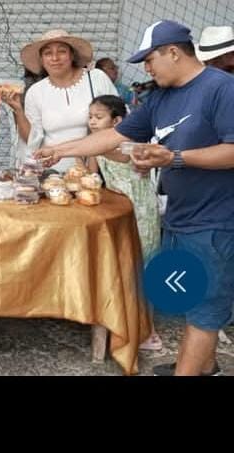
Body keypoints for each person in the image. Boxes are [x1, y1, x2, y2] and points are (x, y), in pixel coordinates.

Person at [36, 20, 234, 377]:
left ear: (173, 52)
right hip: (179, 216)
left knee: (204, 313)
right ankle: (206, 367)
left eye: (149, 59)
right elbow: (114, 136)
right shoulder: (160, 97)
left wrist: (174, 158)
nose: (146, 68)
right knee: (189, 300)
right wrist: (59, 150)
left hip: (215, 221)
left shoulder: (221, 88)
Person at [87, 94, 162, 351]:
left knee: (144, 265)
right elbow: (92, 176)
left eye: (98, 117)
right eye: (90, 117)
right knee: (121, 265)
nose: (92, 122)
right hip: (116, 211)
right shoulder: (95, 146)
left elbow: (130, 160)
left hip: (142, 211)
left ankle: (148, 330)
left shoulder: (131, 144)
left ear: (117, 121)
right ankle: (120, 322)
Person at [0, 28, 117, 173]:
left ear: (72, 55)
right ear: (41, 60)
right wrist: (18, 109)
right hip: (52, 173)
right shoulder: (36, 92)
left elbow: (119, 121)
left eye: (62, 51)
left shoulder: (96, 79)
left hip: (96, 170)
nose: (55, 58)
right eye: (48, 53)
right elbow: (32, 139)